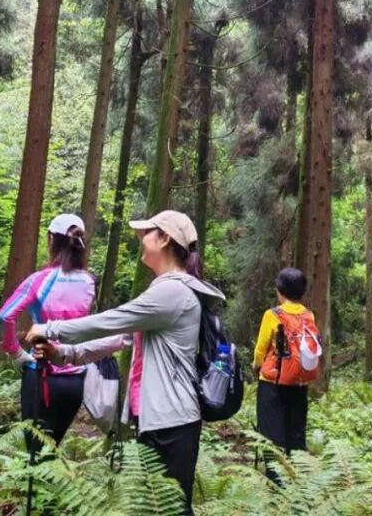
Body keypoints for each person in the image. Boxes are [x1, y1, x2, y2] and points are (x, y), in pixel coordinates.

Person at [27, 210, 224, 516]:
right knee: (160, 508)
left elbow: (111, 321)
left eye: (147, 233)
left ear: (164, 239)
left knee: (172, 509)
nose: (141, 240)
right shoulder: (165, 290)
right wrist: (62, 353)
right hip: (161, 418)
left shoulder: (172, 291)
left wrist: (49, 329)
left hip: (172, 420)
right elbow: (118, 337)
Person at [0, 213, 95, 454]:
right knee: (51, 450)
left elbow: (5, 316)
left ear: (51, 240)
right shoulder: (90, 281)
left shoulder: (39, 280)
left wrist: (17, 353)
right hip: (76, 380)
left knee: (35, 452)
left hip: (42, 375)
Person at [252, 268, 313, 459]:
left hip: (273, 381)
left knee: (271, 437)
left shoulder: (272, 315)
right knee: (295, 435)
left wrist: (256, 365)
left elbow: (261, 348)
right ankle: (297, 473)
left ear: (280, 291)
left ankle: (274, 476)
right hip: (299, 381)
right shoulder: (308, 316)